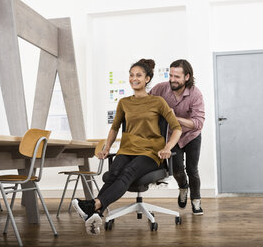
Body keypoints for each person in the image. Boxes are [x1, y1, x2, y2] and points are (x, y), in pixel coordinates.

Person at [72, 59, 182, 235]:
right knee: (113, 174)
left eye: (138, 75)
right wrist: (107, 148)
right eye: (131, 75)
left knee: (127, 173)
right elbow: (115, 127)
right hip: (127, 150)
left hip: (150, 153)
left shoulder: (158, 102)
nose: (133, 78)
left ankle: (93, 205)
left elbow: (176, 128)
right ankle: (97, 213)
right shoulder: (124, 102)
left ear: (147, 79)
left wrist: (168, 147)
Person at [150, 59, 205, 215]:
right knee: (177, 170)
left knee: (192, 169)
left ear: (187, 77)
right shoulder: (161, 89)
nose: (172, 79)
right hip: (172, 136)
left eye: (177, 77)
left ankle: (196, 201)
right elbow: (146, 101)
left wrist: (174, 118)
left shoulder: (195, 94)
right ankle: (183, 188)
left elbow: (198, 123)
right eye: (171, 75)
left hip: (191, 135)